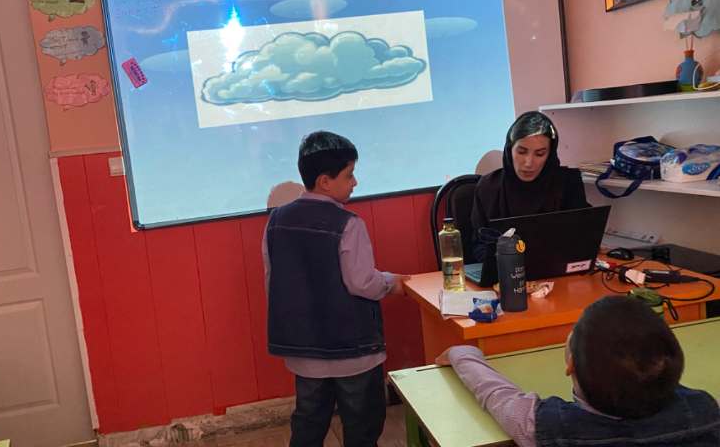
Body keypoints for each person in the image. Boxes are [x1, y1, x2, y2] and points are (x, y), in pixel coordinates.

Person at [263, 130, 410, 447]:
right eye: (349, 174)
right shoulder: (348, 223)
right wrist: (391, 282)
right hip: (353, 351)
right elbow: (362, 282)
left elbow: (273, 279)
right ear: (325, 182)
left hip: (304, 351)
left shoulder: (276, 222)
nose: (355, 182)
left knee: (308, 421)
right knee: (362, 425)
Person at [436, 295, 720, 446]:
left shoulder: (549, 427)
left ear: (570, 364)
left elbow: (495, 394)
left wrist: (463, 353)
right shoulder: (704, 408)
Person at [467, 111, 589, 262]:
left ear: (550, 155)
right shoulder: (488, 187)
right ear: (510, 149)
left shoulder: (567, 183)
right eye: (521, 152)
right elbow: (478, 247)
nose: (529, 163)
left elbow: (582, 239)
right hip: (502, 273)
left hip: (558, 272)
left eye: (540, 154)